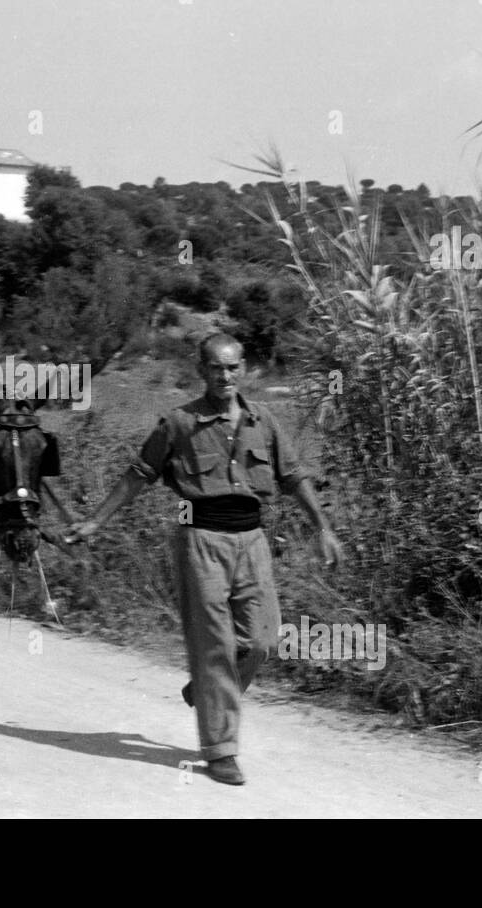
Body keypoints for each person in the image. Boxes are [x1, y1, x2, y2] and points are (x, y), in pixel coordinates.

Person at [65, 333, 343, 786]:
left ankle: (208, 689)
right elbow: (139, 474)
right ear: (202, 370)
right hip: (201, 541)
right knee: (214, 646)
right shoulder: (178, 423)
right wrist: (96, 522)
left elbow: (293, 476)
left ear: (244, 369)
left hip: (252, 541)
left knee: (262, 640)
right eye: (216, 367)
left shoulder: (264, 421)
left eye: (233, 367)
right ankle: (221, 750)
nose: (225, 375)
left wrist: (323, 528)